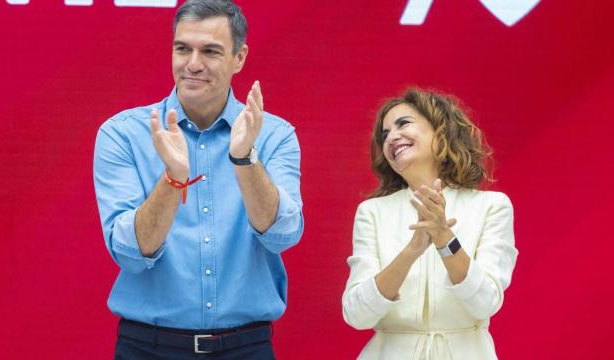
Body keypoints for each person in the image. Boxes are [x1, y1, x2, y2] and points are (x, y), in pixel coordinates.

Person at [93, 1, 303, 358]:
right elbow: (129, 252)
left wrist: (244, 158)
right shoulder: (123, 133)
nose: (192, 64)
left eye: (210, 51)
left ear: (239, 58)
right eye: (182, 49)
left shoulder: (274, 135)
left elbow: (282, 234)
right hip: (149, 347)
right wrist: (174, 178)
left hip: (245, 348)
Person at [342, 88, 517, 359]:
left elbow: (486, 303)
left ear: (441, 131)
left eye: (404, 124)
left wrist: (444, 238)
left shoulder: (491, 206)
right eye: (385, 135)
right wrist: (412, 250)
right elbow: (357, 315)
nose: (392, 138)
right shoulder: (372, 212)